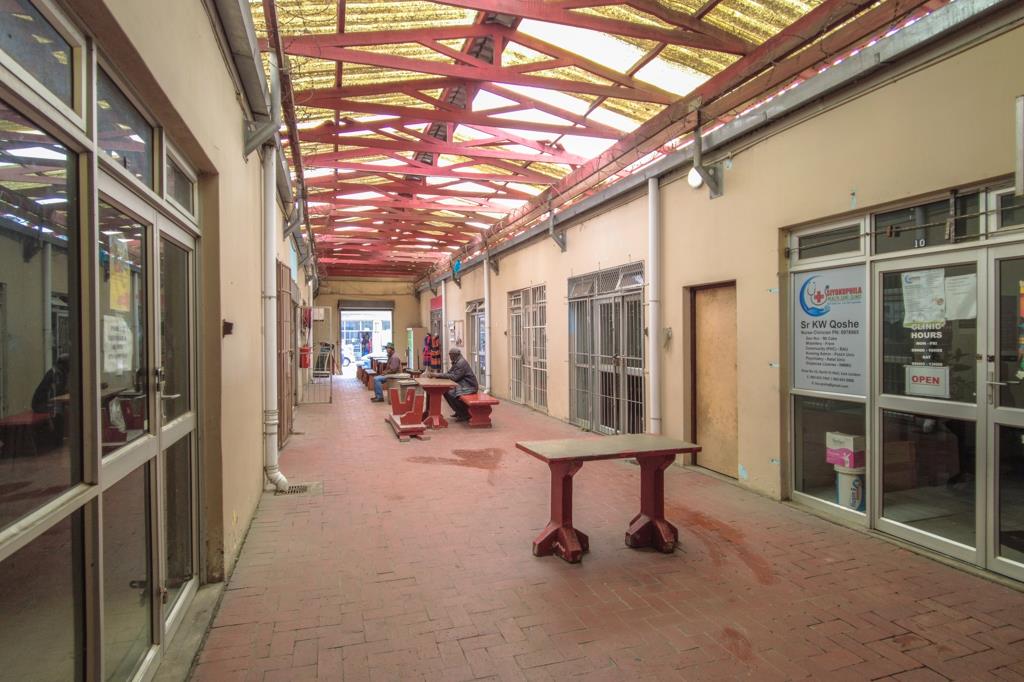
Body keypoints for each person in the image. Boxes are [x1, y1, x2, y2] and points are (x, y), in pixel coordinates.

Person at [431, 347, 478, 422]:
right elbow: (449, 373)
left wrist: (438, 375)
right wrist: (438, 375)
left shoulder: (461, 363)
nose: (450, 357)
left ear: (455, 355)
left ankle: (464, 414)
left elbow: (455, 377)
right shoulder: (457, 361)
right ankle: (458, 411)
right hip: (462, 384)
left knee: (452, 394)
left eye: (451, 356)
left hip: (469, 386)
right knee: (446, 391)